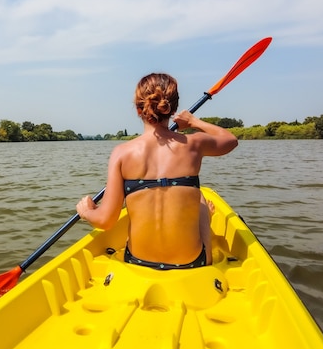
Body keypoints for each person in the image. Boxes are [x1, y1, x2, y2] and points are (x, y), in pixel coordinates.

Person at [76, 73, 238, 269]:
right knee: (201, 198)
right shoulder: (194, 143)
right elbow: (230, 140)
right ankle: (206, 215)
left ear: (138, 109)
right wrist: (194, 121)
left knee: (136, 197)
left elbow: (105, 221)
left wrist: (87, 211)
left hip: (138, 261)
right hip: (193, 262)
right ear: (173, 109)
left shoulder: (121, 153)